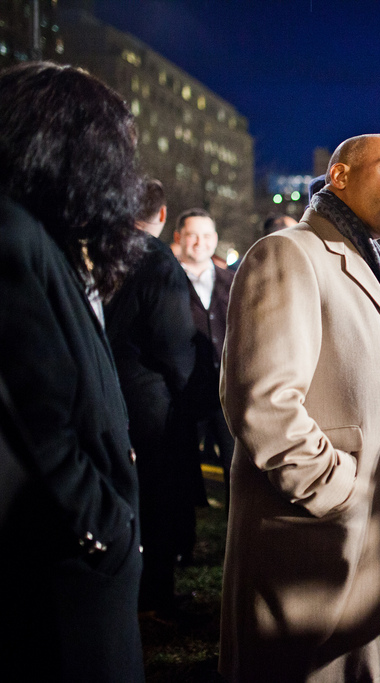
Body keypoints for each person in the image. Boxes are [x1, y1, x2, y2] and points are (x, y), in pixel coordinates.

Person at [218, 134, 380, 682]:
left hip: (355, 543)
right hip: (307, 537)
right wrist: (338, 491)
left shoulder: (371, 264)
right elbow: (263, 405)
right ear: (340, 177)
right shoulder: (289, 252)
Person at [0, 61, 148, 681]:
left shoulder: (42, 239)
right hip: (65, 586)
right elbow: (36, 423)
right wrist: (101, 529)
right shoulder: (14, 238)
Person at [104, 178, 197, 616]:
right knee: (157, 495)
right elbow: (173, 341)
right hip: (149, 398)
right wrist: (188, 392)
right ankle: (154, 592)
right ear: (162, 216)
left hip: (107, 388)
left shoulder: (103, 248)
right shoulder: (157, 259)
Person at [175, 208, 236, 510]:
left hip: (228, 390)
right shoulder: (168, 283)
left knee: (235, 463)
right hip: (185, 390)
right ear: (179, 238)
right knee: (180, 465)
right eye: (192, 235)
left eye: (207, 235)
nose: (200, 242)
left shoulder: (234, 280)